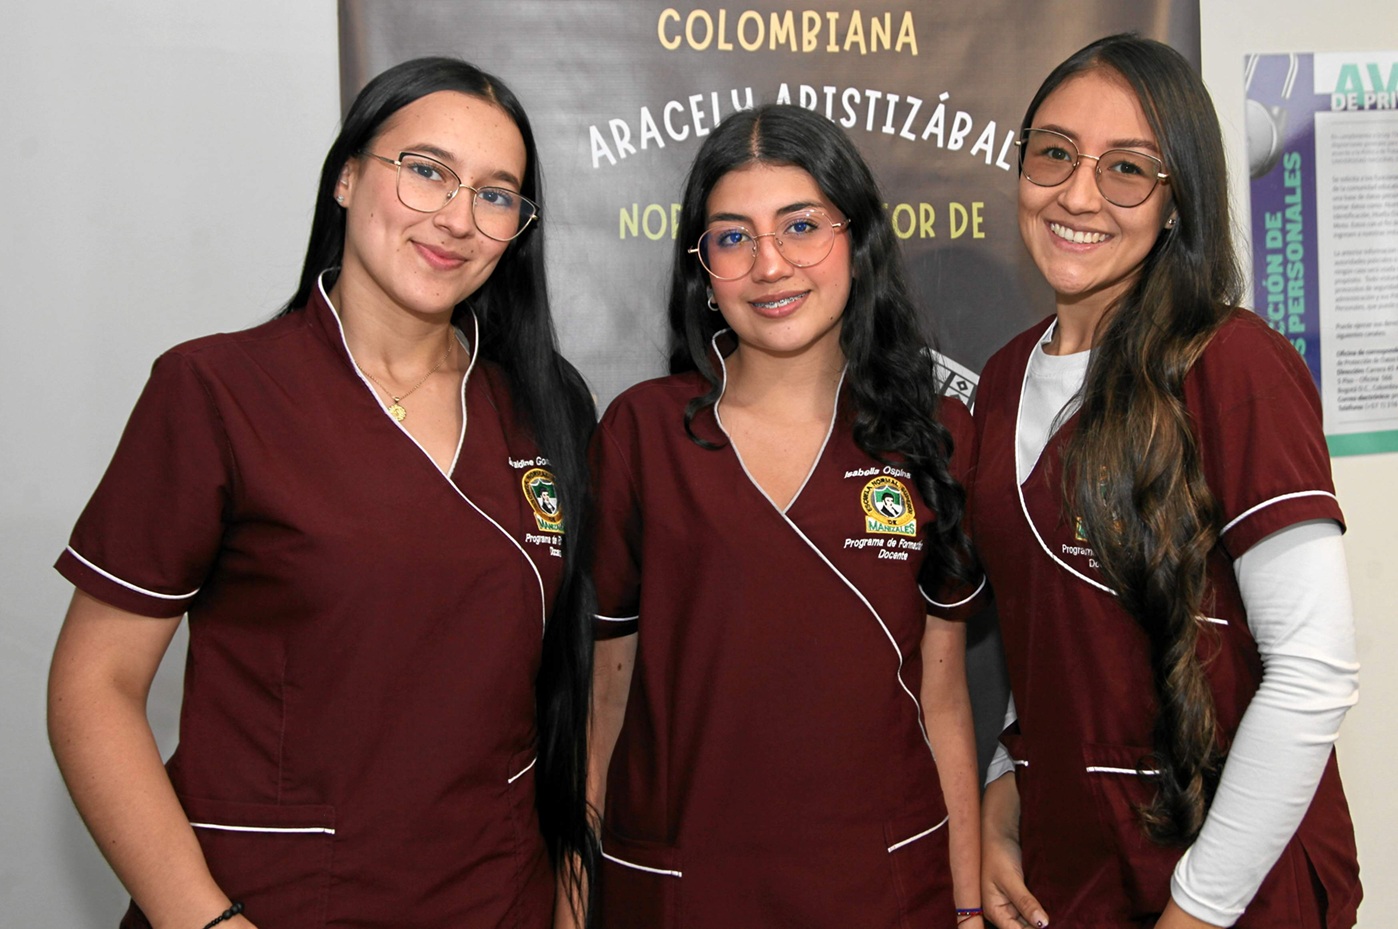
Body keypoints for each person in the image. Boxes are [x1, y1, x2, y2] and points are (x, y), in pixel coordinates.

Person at [47, 57, 595, 929]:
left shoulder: (545, 402)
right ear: (345, 177)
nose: (458, 218)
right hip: (270, 902)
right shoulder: (218, 392)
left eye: (496, 195)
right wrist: (206, 922)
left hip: (496, 898)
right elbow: (93, 686)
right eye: (427, 171)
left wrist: (569, 904)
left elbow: (568, 692)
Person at [972, 34, 1361, 929]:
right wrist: (1002, 789)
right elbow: (1049, 636)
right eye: (1055, 153)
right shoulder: (1000, 381)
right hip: (1075, 877)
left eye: (1126, 169)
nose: (1078, 195)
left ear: (1177, 199)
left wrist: (1196, 910)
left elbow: (1313, 669)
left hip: (1231, 891)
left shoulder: (1234, 365)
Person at [586, 103, 986, 928]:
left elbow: (943, 697)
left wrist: (969, 904)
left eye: (801, 226)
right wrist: (575, 892)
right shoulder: (643, 433)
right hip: (683, 892)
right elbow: (607, 697)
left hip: (880, 892)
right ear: (702, 267)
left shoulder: (935, 434)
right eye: (733, 237)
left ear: (856, 238)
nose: (770, 265)